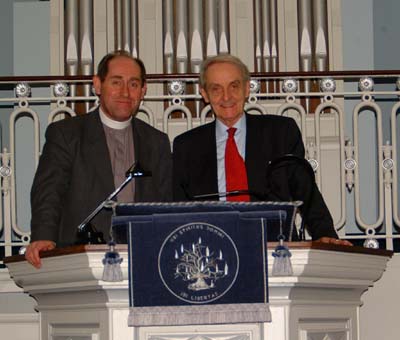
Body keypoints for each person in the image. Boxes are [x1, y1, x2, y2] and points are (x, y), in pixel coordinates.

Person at [173, 54, 351, 245]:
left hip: (275, 246)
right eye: (216, 89)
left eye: (234, 86)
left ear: (247, 88)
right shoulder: (187, 146)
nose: (226, 97)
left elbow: (306, 190)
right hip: (213, 248)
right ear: (204, 94)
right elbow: (178, 209)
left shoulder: (280, 132)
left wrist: (325, 234)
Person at [25, 50, 172, 268]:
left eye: (133, 84)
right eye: (116, 82)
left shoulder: (156, 142)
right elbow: (49, 191)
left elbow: (166, 204)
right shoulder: (67, 134)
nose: (125, 92)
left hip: (143, 256)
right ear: (97, 85)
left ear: (143, 91)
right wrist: (44, 235)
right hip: (80, 257)